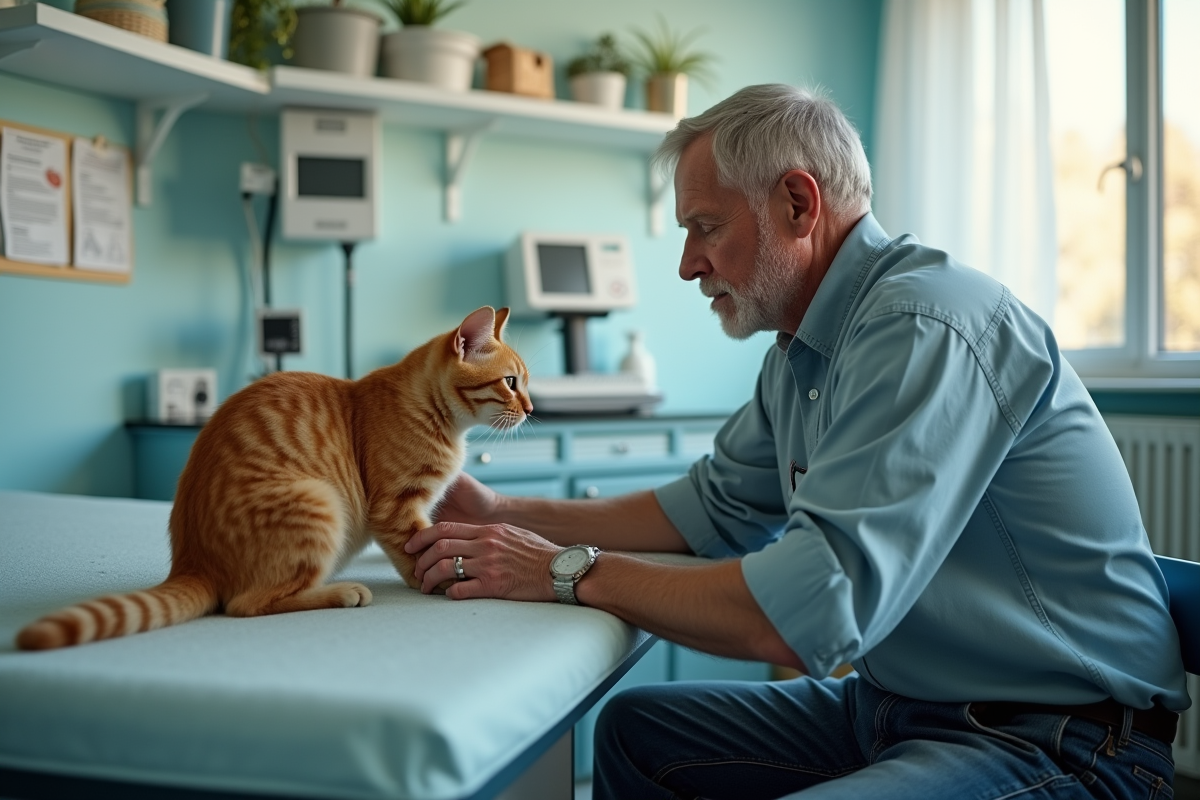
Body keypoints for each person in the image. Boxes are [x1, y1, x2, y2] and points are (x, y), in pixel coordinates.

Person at [404, 84, 1189, 799]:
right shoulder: (801, 353)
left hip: (1064, 743)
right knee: (637, 734)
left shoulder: (922, 326)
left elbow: (802, 612)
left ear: (796, 204)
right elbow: (705, 512)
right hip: (899, 706)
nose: (686, 266)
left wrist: (567, 572)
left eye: (704, 228)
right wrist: (497, 508)